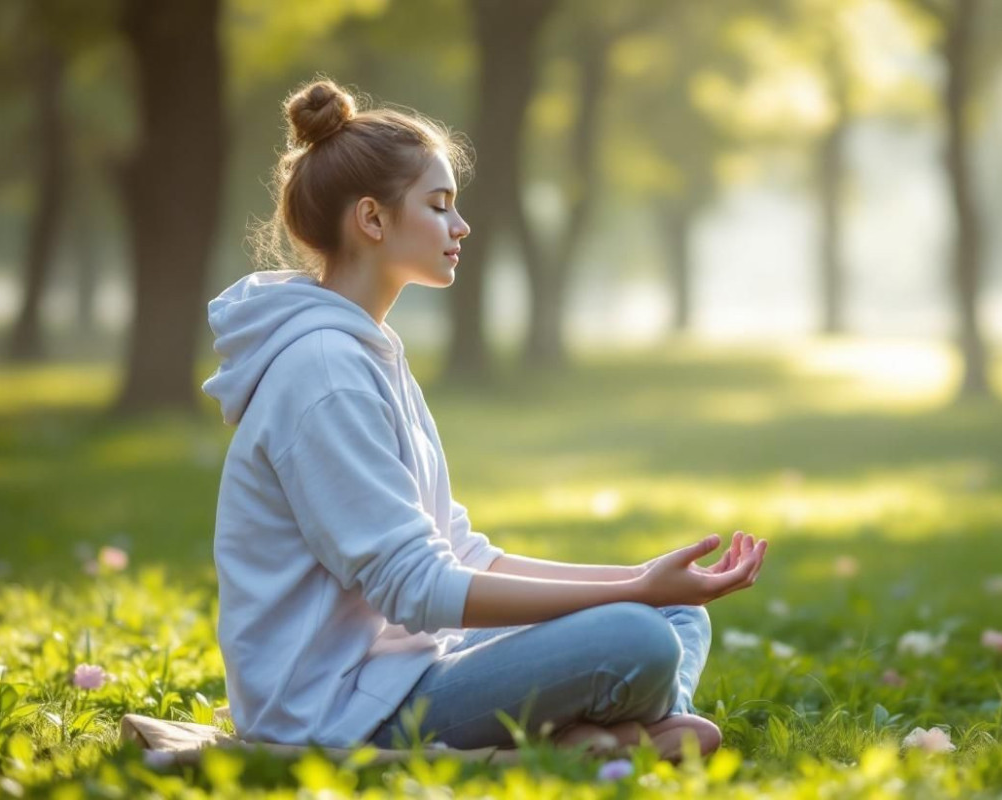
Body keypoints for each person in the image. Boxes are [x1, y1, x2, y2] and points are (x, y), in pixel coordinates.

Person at [200, 79, 768, 761]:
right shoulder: (322, 373)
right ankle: (613, 735)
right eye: (439, 207)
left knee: (676, 614)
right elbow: (418, 587)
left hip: (408, 665)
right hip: (342, 710)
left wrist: (642, 579)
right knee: (639, 637)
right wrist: (630, 594)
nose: (460, 226)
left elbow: (461, 553)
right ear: (373, 220)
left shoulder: (369, 352)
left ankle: (601, 735)